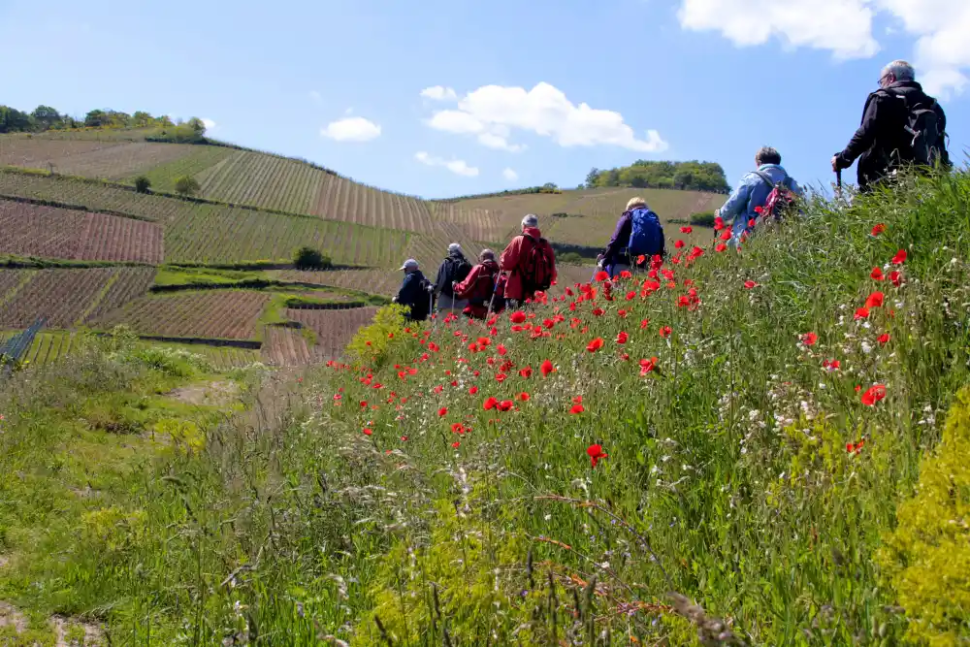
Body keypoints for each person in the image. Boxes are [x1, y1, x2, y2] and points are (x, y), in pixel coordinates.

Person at [832, 60, 949, 192]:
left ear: (891, 77)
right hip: (924, 179)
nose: (881, 85)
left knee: (864, 210)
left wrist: (843, 159)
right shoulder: (933, 106)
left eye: (881, 81)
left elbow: (865, 133)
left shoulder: (883, 98)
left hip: (883, 178)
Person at [717, 147, 801, 247]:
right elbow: (801, 214)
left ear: (758, 163)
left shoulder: (751, 179)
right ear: (778, 163)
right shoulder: (792, 184)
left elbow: (731, 207)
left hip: (748, 239)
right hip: (780, 244)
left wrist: (719, 215)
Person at [596, 197, 665, 277]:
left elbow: (615, 240)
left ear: (629, 207)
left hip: (623, 264)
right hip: (645, 267)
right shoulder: (653, 219)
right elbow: (661, 245)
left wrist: (605, 258)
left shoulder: (628, 216)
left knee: (618, 288)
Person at [499, 214, 557, 308]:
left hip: (517, 292)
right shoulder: (544, 244)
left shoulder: (519, 240)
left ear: (524, 226)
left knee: (515, 320)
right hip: (538, 294)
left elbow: (506, 264)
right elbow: (553, 273)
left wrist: (501, 258)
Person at [453, 249, 502, 319]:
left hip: (474, 309)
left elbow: (466, 286)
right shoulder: (498, 272)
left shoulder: (479, 268)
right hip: (490, 311)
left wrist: (456, 286)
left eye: (480, 257)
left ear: (484, 257)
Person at [434, 243, 472, 313]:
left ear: (450, 252)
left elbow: (440, 282)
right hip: (463, 303)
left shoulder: (445, 263)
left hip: (446, 302)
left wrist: (434, 292)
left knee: (443, 322)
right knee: (459, 323)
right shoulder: (467, 264)